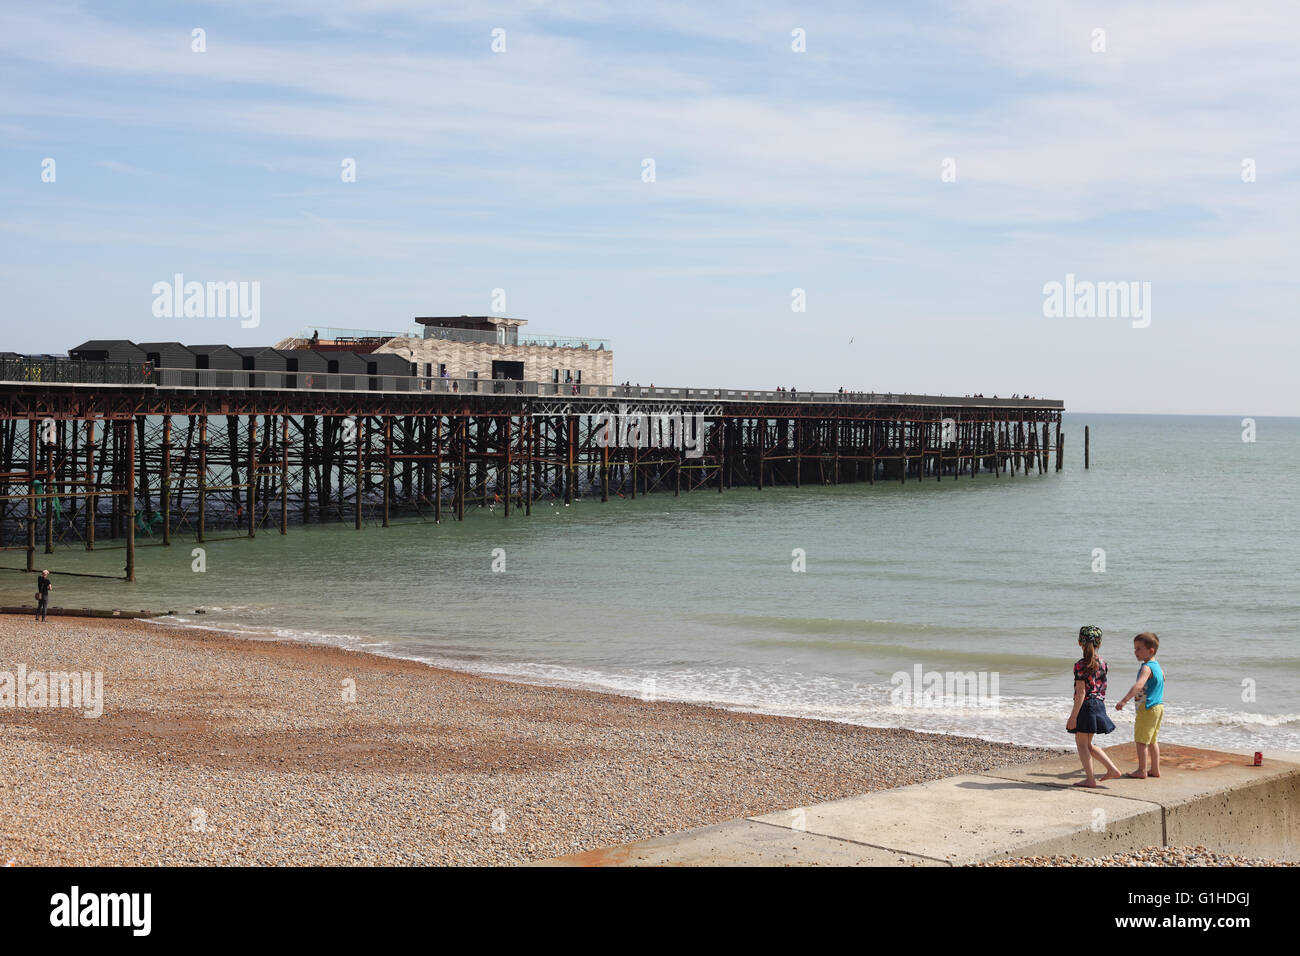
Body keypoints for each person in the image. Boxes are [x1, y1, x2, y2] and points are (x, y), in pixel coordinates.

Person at [1067, 625, 1122, 787]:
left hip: (1086, 706)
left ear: (1079, 643)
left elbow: (1081, 694)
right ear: (1099, 644)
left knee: (1082, 744)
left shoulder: (1080, 665)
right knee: (1088, 744)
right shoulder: (1103, 663)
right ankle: (1112, 769)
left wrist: (1073, 716)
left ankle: (1091, 780)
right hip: (1099, 705)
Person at [1115, 632, 1164, 778]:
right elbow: (1162, 680)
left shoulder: (1146, 668)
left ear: (1151, 651)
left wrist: (1124, 700)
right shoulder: (1158, 667)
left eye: (1139, 649)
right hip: (1158, 707)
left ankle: (1142, 770)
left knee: (1141, 741)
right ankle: (1155, 769)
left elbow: (1138, 685)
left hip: (1147, 708)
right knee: (1152, 740)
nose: (1135, 652)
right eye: (1135, 649)